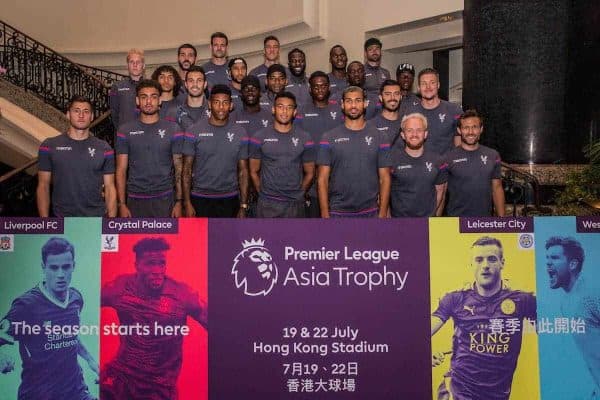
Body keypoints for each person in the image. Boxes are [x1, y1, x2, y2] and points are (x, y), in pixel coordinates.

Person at [100, 237, 207, 400]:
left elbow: (219, 324)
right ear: (137, 265)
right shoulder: (120, 288)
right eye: (150, 263)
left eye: (161, 263)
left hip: (159, 388)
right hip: (121, 380)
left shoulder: (182, 295)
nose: (157, 270)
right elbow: (82, 301)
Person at [431, 236, 536, 400]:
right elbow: (421, 332)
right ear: (471, 264)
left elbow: (551, 331)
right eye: (479, 260)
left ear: (502, 262)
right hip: (458, 389)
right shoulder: (455, 299)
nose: (485, 266)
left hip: (497, 394)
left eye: (492, 259)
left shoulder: (521, 300)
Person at [0, 238, 98, 400]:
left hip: (76, 391)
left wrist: (91, 361)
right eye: (54, 268)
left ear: (73, 266)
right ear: (43, 267)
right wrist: (3, 355)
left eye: (66, 267)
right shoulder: (26, 305)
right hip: (39, 394)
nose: (60, 274)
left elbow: (71, 336)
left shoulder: (76, 298)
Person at [317, 86, 392, 218]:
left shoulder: (380, 137)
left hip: (370, 211)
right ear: (342, 104)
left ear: (365, 103)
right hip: (338, 211)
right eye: (349, 101)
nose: (353, 105)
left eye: (358, 100)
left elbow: (385, 178)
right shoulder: (328, 137)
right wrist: (324, 214)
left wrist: (382, 214)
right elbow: (322, 179)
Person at [37, 95, 116, 217]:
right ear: (68, 114)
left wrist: (111, 222)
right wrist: (45, 222)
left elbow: (110, 187)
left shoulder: (105, 149)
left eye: (86, 111)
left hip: (96, 219)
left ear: (92, 116)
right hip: (61, 218)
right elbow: (43, 185)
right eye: (76, 111)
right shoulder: (49, 146)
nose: (81, 115)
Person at [115, 79, 185, 218]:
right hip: (134, 199)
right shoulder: (124, 130)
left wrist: (179, 201)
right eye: (143, 97)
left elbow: (179, 169)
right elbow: (121, 170)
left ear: (159, 100)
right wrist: (121, 204)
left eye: (153, 97)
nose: (148, 101)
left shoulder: (174, 129)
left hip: (165, 199)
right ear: (137, 101)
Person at [182, 84, 249, 218]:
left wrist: (243, 205)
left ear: (231, 105)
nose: (221, 107)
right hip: (199, 198)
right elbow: (186, 170)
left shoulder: (240, 132)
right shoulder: (193, 131)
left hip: (230, 198)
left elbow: (243, 171)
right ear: (209, 104)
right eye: (216, 102)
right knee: (200, 239)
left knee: (228, 239)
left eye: (225, 103)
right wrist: (187, 202)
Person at [545, 236, 600, 395]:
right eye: (547, 258)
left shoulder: (592, 295)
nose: (548, 262)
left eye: (554, 258)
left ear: (573, 264)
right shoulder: (565, 303)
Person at [250, 92, 315, 218]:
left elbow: (310, 172)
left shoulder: (305, 138)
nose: (284, 111)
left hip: (295, 204)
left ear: (295, 111)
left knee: (295, 238)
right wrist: (263, 194)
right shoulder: (259, 137)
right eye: (280, 106)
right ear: (273, 109)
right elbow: (253, 171)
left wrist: (299, 194)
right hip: (267, 204)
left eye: (289, 107)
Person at [296, 71, 342, 217]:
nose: (320, 90)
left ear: (329, 87)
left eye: (323, 86)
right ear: (310, 89)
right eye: (315, 87)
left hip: (338, 179)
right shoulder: (301, 111)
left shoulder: (340, 109)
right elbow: (296, 144)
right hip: (311, 180)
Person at [443, 109, 505, 217]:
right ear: (459, 130)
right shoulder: (448, 158)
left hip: (483, 222)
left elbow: (497, 188)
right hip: (455, 222)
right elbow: (441, 191)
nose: (470, 132)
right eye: (466, 128)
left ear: (481, 129)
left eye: (475, 127)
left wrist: (502, 220)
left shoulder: (493, 155)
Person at [389, 113, 447, 217]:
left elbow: (440, 191)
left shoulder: (438, 161)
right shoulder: (391, 161)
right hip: (399, 224)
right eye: (409, 130)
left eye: (419, 130)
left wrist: (430, 216)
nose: (414, 134)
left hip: (427, 224)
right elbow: (384, 192)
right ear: (403, 135)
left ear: (425, 134)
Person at [400, 67, 463, 155]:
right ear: (418, 87)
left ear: (438, 85)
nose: (428, 87)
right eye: (423, 83)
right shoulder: (409, 112)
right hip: (419, 166)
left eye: (432, 83)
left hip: (446, 167)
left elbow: (459, 144)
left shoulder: (454, 110)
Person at [109, 48, 144, 132]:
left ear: (143, 65)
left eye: (138, 62)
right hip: (125, 135)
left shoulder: (151, 86)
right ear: (127, 65)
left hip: (146, 134)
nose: (135, 65)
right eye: (132, 62)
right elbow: (114, 113)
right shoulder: (117, 86)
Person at [166, 65, 209, 130]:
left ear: (205, 84)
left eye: (199, 80)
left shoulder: (214, 111)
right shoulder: (174, 113)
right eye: (191, 81)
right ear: (186, 84)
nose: (195, 84)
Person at [369, 79, 402, 144]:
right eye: (387, 94)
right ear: (381, 98)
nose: (392, 98)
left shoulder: (407, 123)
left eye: (396, 94)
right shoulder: (371, 125)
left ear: (401, 97)